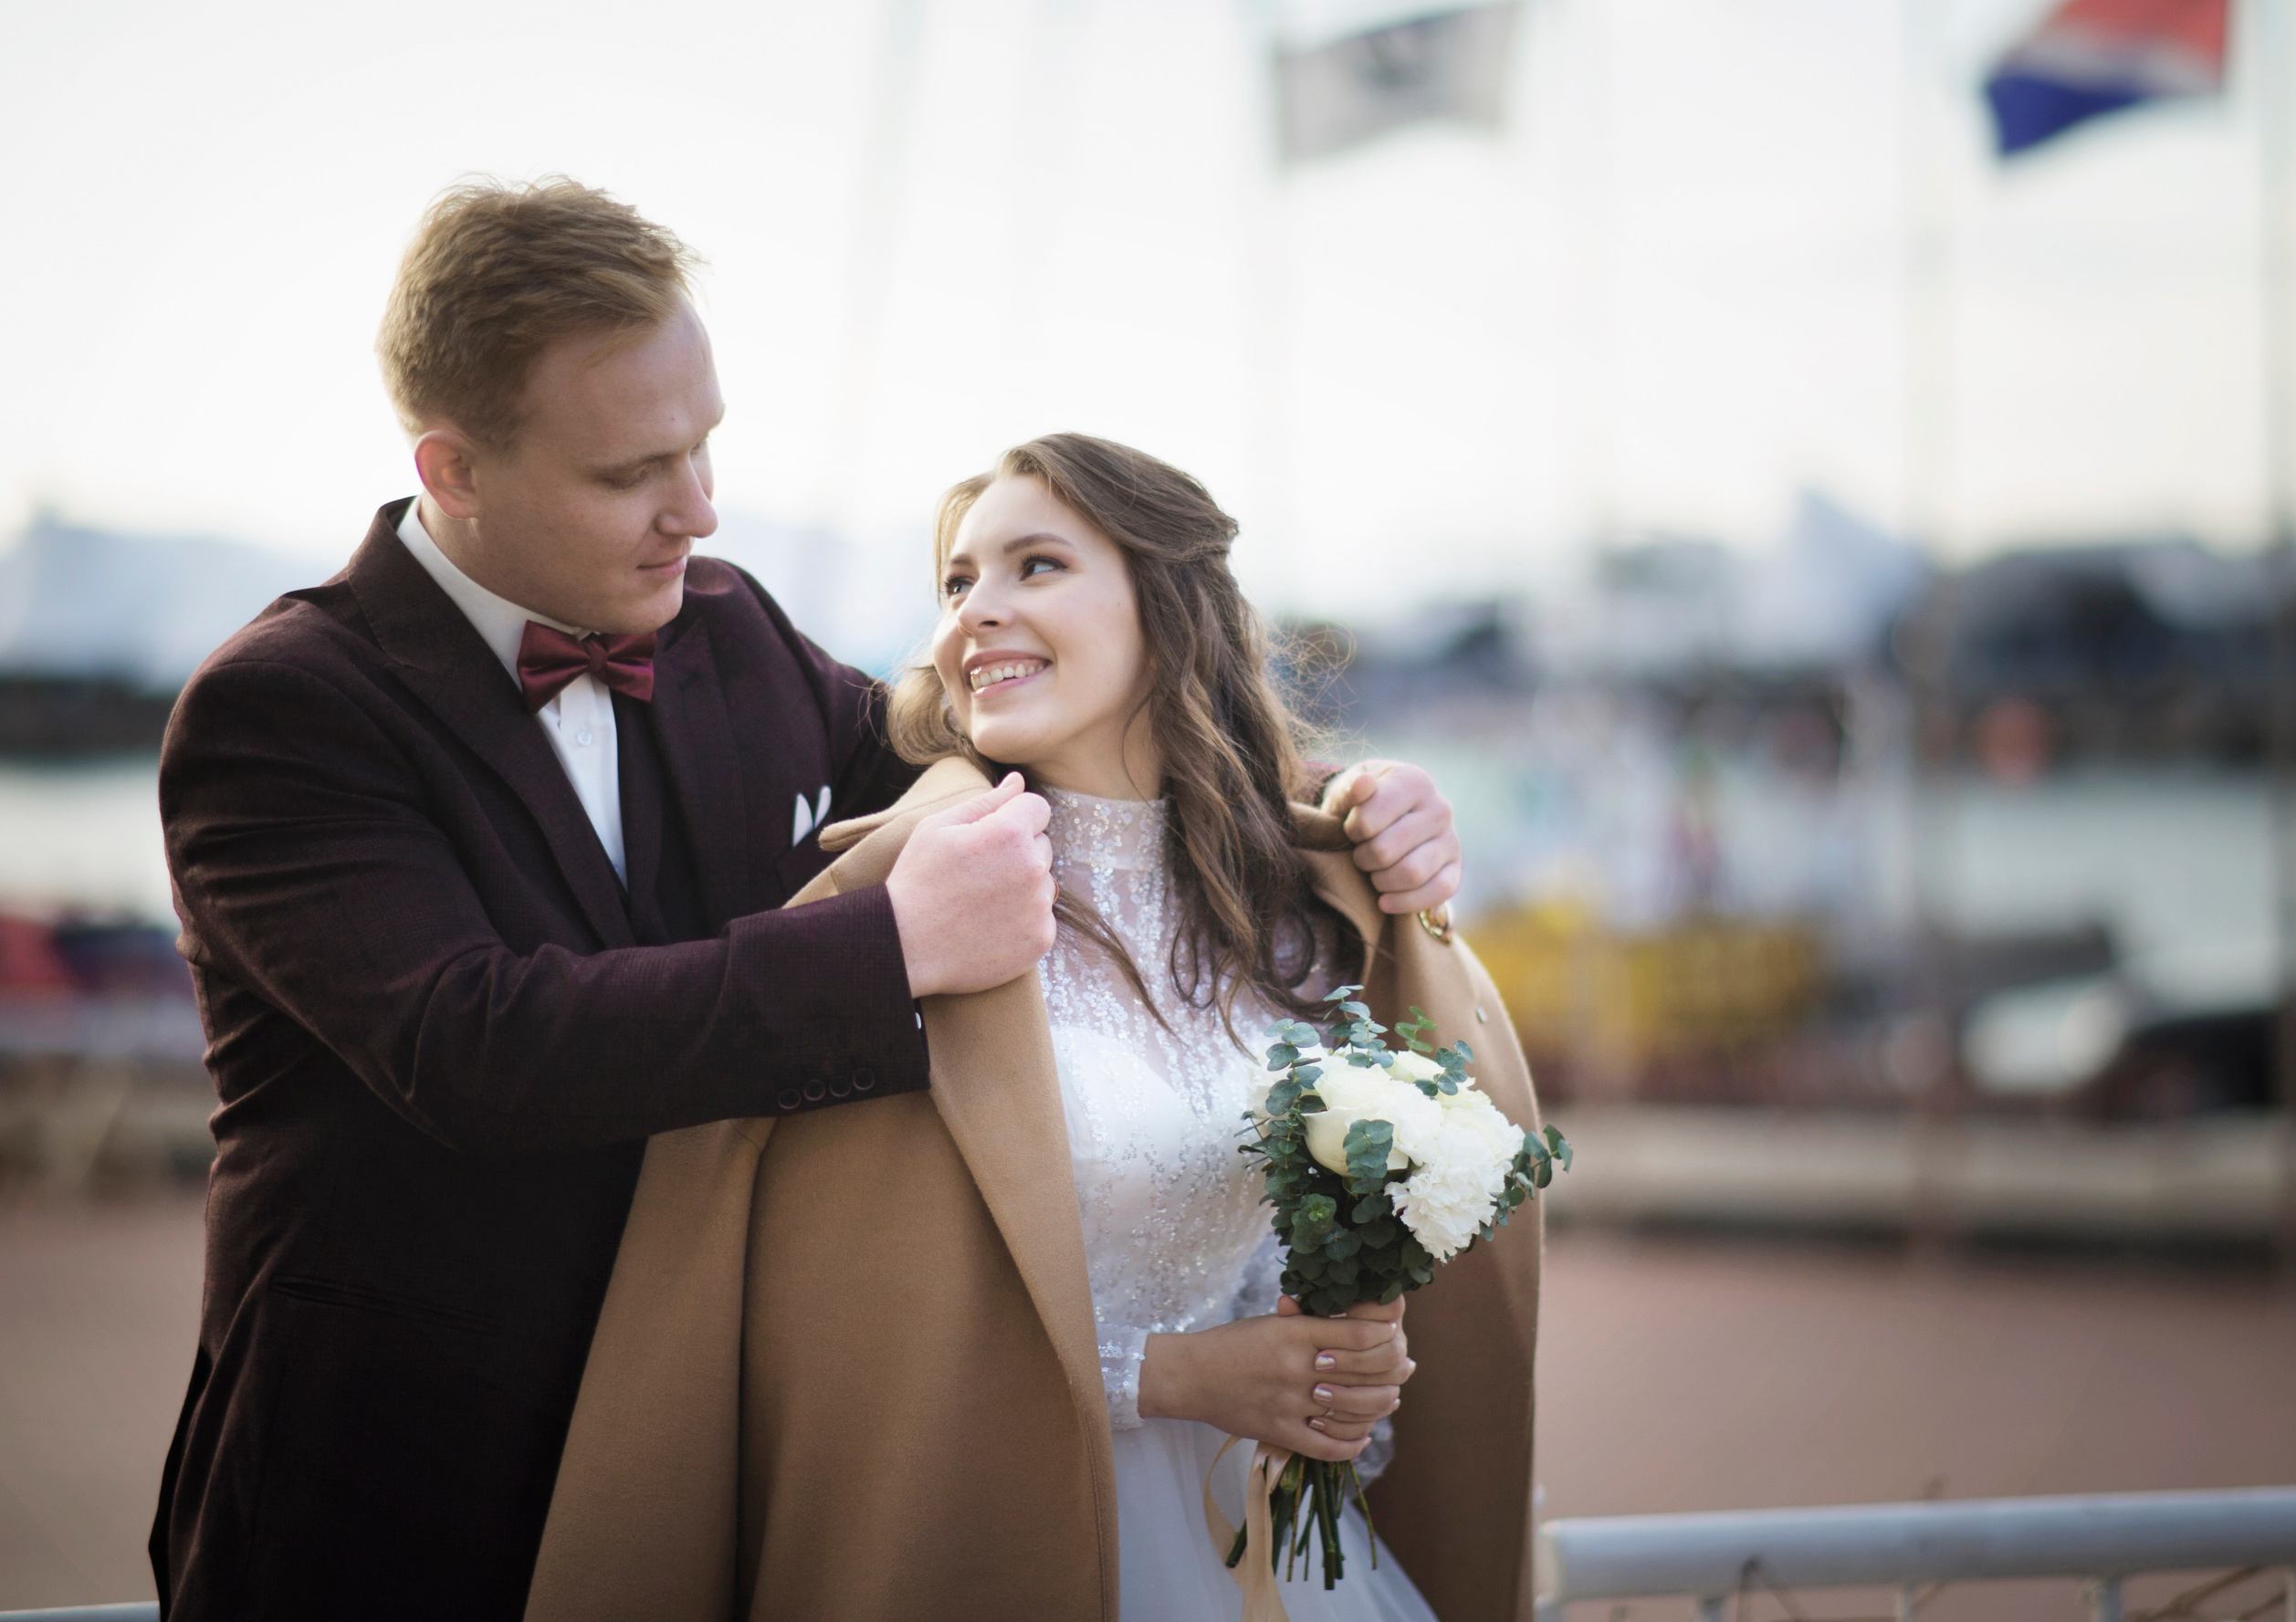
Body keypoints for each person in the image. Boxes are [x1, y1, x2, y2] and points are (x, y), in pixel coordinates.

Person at [147, 183, 1467, 1621]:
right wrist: (890, 946)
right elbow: (476, 1041)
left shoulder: (729, 630)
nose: (697, 508)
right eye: (632, 472)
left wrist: (1326, 806)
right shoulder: (283, 710)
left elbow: (1033, 747)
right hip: (404, 1486)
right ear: (453, 471)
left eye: (705, 442)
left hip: (730, 1471)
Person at [524, 435, 1542, 1622]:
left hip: (1280, 1554)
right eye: (957, 583)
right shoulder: (905, 923)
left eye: (1036, 565)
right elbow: (840, 1326)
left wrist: (1337, 1365)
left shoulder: (1303, 923)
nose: (975, 614)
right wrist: (1168, 1376)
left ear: (1169, 611)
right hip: (1000, 1540)